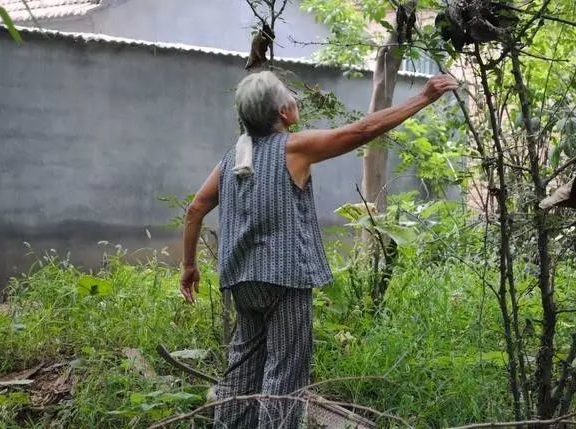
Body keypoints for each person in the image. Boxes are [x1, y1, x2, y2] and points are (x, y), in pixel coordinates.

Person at [180, 71, 458, 428]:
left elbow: (195, 210)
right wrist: (423, 98)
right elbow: (358, 132)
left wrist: (189, 266)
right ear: (283, 113)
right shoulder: (293, 147)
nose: (295, 100)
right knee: (285, 376)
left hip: (241, 281)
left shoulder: (232, 158)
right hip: (285, 280)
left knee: (241, 371)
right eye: (290, 97)